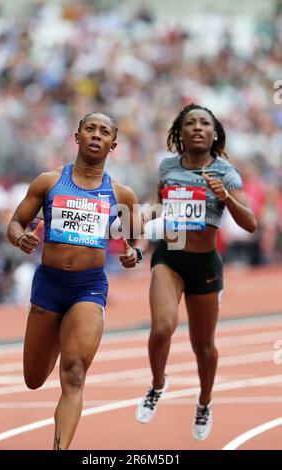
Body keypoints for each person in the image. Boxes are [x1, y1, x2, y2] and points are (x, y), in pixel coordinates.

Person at [7, 112, 143, 450]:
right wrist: (20, 238)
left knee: (75, 373)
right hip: (48, 287)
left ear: (114, 144)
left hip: (89, 287)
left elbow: (138, 239)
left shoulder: (121, 194)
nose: (97, 135)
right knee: (34, 379)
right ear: (77, 136)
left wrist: (135, 255)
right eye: (90, 129)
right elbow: (15, 223)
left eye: (105, 132)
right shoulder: (48, 182)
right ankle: (53, 340)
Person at [135, 103, 257, 441]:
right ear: (181, 133)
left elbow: (250, 223)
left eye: (205, 123)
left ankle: (204, 401)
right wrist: (143, 229)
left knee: (203, 346)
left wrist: (227, 199)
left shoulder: (226, 172)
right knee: (161, 328)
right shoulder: (168, 166)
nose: (198, 127)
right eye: (191, 123)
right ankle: (158, 384)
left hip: (205, 266)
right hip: (170, 257)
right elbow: (158, 203)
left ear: (215, 133)